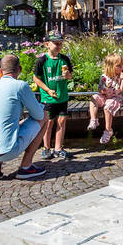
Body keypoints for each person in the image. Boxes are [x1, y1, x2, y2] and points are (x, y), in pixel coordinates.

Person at [0, 54, 49, 180]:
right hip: (7, 150)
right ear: (19, 69)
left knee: (4, 123)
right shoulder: (20, 86)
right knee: (45, 116)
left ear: (0, 70)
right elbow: (38, 115)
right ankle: (26, 167)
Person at [33, 34, 74, 162]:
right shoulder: (42, 61)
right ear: (47, 44)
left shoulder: (64, 59)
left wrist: (68, 75)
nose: (58, 46)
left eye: (60, 43)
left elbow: (70, 76)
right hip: (48, 98)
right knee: (49, 123)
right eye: (55, 43)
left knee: (61, 122)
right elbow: (36, 79)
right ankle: (46, 148)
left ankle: (58, 148)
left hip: (62, 96)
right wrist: (48, 90)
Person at [88, 52, 123, 145]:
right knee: (94, 98)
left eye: (122, 65)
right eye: (118, 65)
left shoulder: (121, 76)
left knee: (108, 105)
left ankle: (108, 130)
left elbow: (122, 89)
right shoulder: (104, 77)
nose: (122, 67)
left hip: (115, 98)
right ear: (110, 66)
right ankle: (93, 120)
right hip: (105, 96)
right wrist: (104, 91)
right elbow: (99, 89)